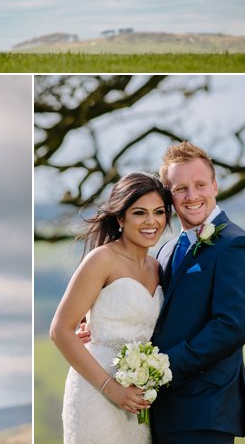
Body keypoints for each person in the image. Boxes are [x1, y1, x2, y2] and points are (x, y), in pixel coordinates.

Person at [150, 142, 245, 444]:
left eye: (200, 184)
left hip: (204, 409)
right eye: (180, 188)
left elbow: (231, 327)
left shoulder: (236, 245)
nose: (192, 196)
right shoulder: (166, 249)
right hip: (157, 410)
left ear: (214, 185)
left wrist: (163, 367)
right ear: (169, 196)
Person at [50, 172, 172, 444]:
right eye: (140, 213)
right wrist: (111, 388)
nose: (151, 222)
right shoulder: (102, 260)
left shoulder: (157, 267)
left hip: (138, 396)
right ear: (120, 218)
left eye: (159, 212)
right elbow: (60, 330)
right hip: (97, 390)